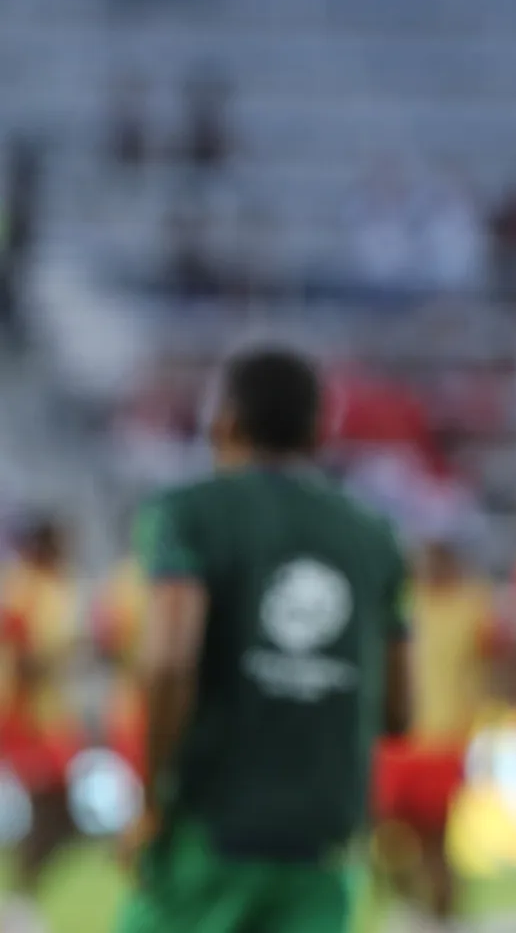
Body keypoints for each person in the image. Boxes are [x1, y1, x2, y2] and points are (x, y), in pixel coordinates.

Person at [115, 346, 413, 933]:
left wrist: (151, 801)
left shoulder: (189, 513)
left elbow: (170, 660)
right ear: (319, 431)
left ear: (224, 422)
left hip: (210, 825)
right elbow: (399, 712)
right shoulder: (373, 534)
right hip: (323, 841)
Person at [372, 537, 496, 932]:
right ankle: (412, 908)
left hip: (444, 744)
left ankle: (441, 919)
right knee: (383, 840)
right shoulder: (403, 603)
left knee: (435, 843)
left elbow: (490, 667)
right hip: (398, 744)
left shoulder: (471, 606)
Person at [0, 515, 85, 932]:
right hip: (29, 721)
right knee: (54, 812)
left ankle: (21, 900)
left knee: (59, 816)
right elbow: (25, 656)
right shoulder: (26, 589)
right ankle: (19, 903)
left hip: (46, 717)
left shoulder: (49, 588)